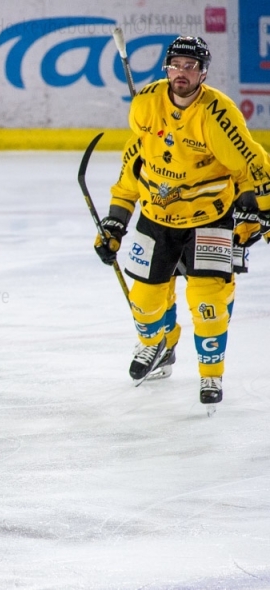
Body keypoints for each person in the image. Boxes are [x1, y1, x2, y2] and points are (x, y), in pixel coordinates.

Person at [94, 36, 270, 407]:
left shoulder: (217, 115)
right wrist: (115, 223)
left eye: (191, 66)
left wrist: (259, 208)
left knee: (208, 303)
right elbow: (133, 173)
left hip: (209, 220)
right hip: (157, 218)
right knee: (144, 303)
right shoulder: (146, 106)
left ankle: (211, 375)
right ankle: (161, 345)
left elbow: (250, 165)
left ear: (203, 73)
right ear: (167, 68)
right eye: (176, 64)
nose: (182, 73)